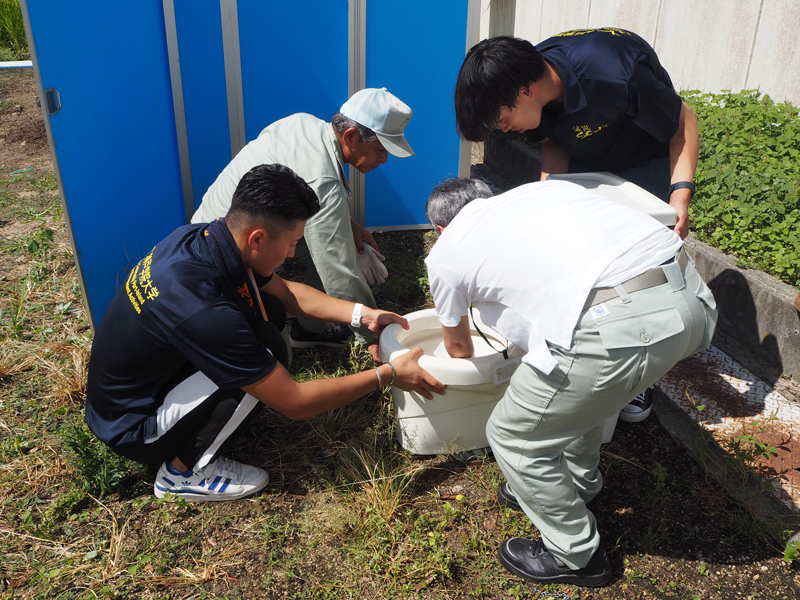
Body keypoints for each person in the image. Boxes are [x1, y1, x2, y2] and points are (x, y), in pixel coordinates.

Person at [85, 164, 445, 502]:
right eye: (291, 243)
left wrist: (362, 315)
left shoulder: (206, 239)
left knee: (267, 311)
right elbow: (296, 403)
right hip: (136, 427)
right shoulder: (203, 310)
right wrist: (390, 374)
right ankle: (181, 474)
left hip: (140, 387)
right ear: (257, 237)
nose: (292, 254)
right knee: (266, 354)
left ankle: (221, 408)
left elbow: (286, 292)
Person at [424, 177, 717, 587]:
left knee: (514, 436)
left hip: (620, 323)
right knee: (588, 394)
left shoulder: (446, 254)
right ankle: (580, 485)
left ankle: (574, 554)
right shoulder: (541, 193)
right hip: (690, 299)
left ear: (440, 230)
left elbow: (456, 348)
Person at [454, 28, 700, 423]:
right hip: (591, 156)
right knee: (580, 250)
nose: (504, 130)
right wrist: (545, 199)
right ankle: (588, 348)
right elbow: (554, 142)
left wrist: (679, 194)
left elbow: (682, 123)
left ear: (526, 91)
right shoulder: (528, 84)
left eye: (502, 120)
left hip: (645, 155)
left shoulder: (613, 74)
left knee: (636, 263)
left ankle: (643, 373)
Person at [192, 87, 414, 360]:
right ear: (351, 136)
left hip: (202, 231)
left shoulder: (303, 123)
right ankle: (302, 330)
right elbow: (337, 268)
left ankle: (310, 328)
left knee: (333, 236)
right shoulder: (323, 180)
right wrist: (372, 335)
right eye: (380, 149)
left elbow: (306, 189)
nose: (384, 159)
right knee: (276, 350)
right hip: (223, 263)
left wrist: (347, 223)